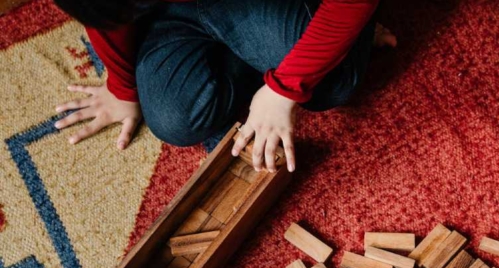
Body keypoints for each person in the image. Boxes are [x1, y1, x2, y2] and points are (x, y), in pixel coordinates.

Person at [52, 0, 397, 173]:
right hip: (175, 14)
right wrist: (124, 90)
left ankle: (338, 38)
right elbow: (105, 14)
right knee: (173, 120)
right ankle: (266, 56)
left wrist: (286, 88)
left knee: (331, 84)